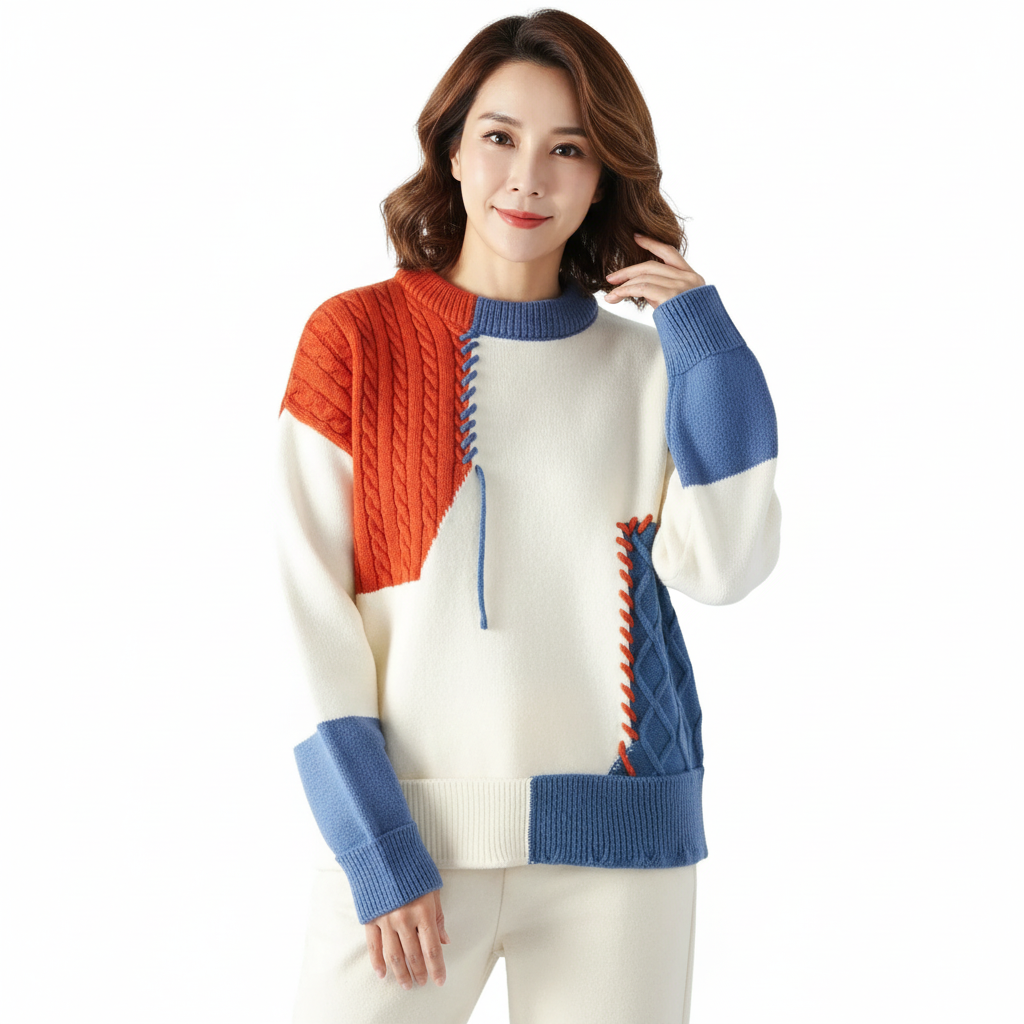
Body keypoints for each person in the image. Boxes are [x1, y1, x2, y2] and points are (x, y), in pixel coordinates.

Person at [274, 8, 781, 1023]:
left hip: (621, 851)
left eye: (568, 150)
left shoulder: (653, 368)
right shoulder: (356, 340)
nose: (528, 178)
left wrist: (708, 343)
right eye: (500, 137)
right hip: (413, 845)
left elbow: (725, 567)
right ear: (452, 148)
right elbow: (307, 614)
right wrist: (376, 846)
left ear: (602, 178)